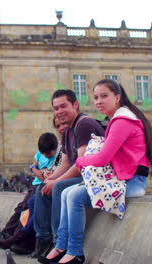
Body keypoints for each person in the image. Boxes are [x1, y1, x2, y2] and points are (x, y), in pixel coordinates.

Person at [39, 79, 152, 264]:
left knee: (74, 196)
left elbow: (102, 158)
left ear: (117, 97)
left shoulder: (122, 122)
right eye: (95, 97)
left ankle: (75, 252)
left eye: (104, 96)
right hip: (123, 179)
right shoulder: (117, 119)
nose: (99, 101)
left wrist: (81, 160)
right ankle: (62, 245)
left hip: (132, 182)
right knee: (67, 192)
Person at [31, 90, 105, 258]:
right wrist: (50, 178)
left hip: (93, 176)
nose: (59, 111)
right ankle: (43, 239)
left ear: (75, 105)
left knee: (59, 187)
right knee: (43, 189)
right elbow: (65, 163)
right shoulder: (68, 131)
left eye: (63, 106)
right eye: (56, 108)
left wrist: (56, 182)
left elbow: (81, 164)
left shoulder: (83, 125)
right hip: (81, 174)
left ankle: (60, 243)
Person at [0, 130, 61, 254]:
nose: (46, 155)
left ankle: (16, 238)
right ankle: (8, 233)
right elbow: (34, 167)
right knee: (21, 208)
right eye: (44, 153)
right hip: (35, 185)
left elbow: (43, 175)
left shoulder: (58, 156)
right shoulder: (41, 154)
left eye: (48, 153)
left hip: (42, 186)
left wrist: (35, 170)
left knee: (30, 208)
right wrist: (36, 170)